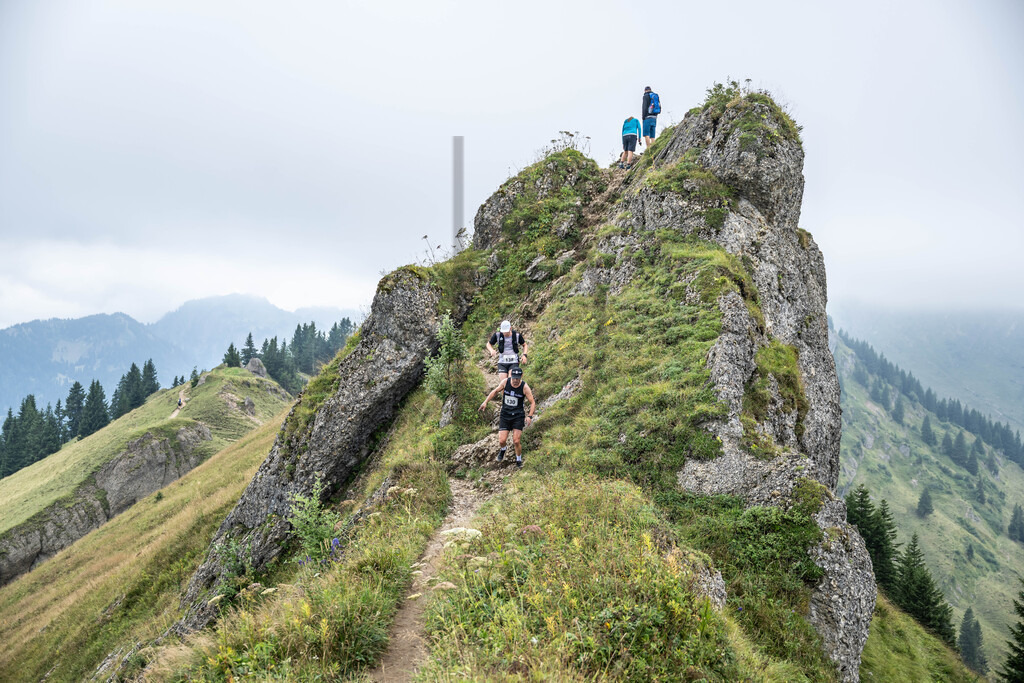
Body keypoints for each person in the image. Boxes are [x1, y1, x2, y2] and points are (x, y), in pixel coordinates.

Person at [478, 366, 536, 468]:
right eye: (514, 378)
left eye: (517, 378)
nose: (515, 381)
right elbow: (495, 391)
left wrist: (530, 416)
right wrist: (485, 402)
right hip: (505, 415)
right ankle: (503, 449)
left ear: (521, 376)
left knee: (516, 440)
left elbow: (532, 402)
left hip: (518, 416)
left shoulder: (524, 387)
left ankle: (518, 460)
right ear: (511, 376)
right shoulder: (505, 382)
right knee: (502, 440)